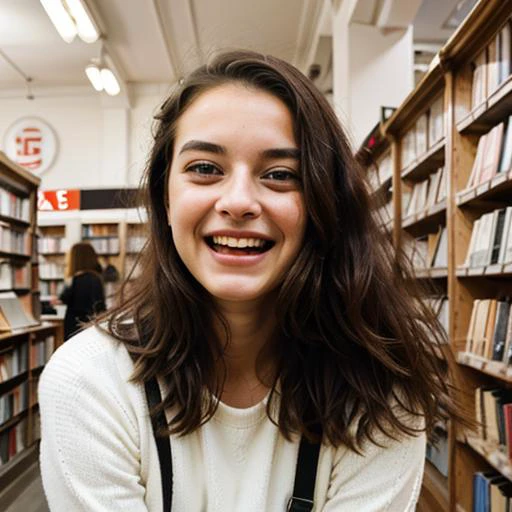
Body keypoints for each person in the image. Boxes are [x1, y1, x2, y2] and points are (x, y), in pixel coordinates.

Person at [39, 50, 465, 511]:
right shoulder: (88, 381)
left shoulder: (383, 391)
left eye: (280, 175)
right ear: (165, 196)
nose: (239, 202)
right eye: (205, 168)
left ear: (326, 203)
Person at [58, 242, 106, 340]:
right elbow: (100, 306)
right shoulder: (97, 278)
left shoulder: (76, 279)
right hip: (92, 326)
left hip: (74, 326)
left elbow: (64, 298)